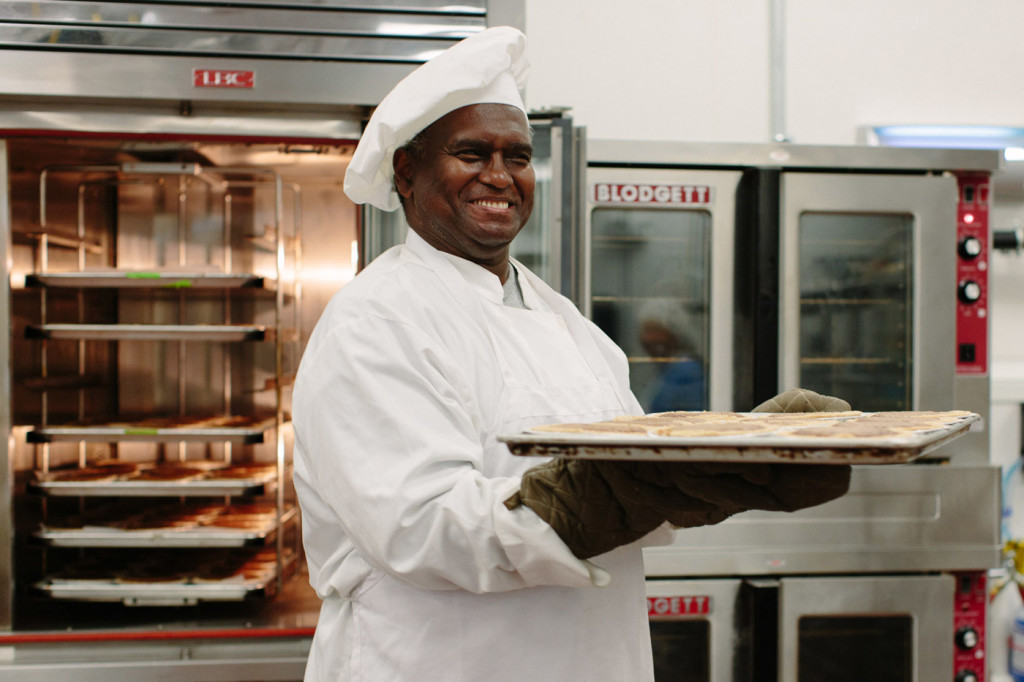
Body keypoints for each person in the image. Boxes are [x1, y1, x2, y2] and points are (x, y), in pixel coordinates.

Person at [291, 26, 851, 682]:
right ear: (408, 172)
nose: (500, 177)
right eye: (471, 153)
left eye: (517, 156)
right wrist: (611, 493)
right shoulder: (375, 320)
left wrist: (727, 472)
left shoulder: (565, 323)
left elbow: (637, 477)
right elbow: (423, 528)